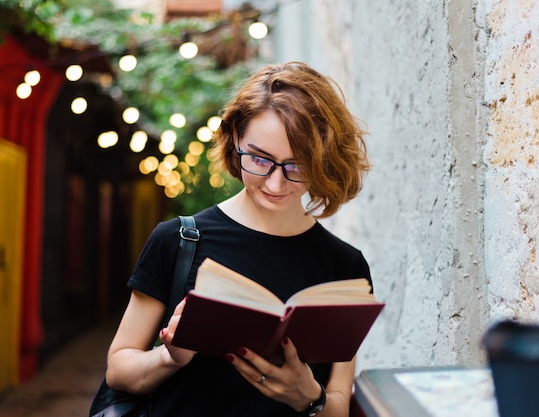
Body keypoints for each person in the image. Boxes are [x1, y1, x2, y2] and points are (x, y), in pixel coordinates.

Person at [105, 61, 372, 417]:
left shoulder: (345, 267)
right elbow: (118, 371)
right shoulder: (180, 240)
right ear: (235, 139)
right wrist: (170, 357)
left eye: (298, 165)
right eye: (260, 160)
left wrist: (309, 397)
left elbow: (338, 404)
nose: (276, 184)